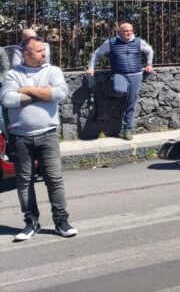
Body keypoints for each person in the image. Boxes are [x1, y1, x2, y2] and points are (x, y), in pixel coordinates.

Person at [1, 36, 78, 241]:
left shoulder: (52, 71)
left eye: (44, 50)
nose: (44, 54)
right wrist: (45, 93)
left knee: (54, 180)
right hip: (20, 138)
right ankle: (31, 223)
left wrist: (27, 90)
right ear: (27, 54)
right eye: (39, 51)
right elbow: (8, 99)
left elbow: (60, 93)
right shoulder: (13, 74)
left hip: (48, 135)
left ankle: (61, 221)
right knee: (24, 182)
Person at [86, 22, 154, 140]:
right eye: (126, 31)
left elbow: (149, 50)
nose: (129, 33)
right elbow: (97, 54)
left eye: (131, 31)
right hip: (119, 74)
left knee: (131, 104)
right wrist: (91, 68)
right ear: (119, 32)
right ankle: (115, 90)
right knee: (118, 89)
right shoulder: (111, 43)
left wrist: (149, 64)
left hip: (136, 75)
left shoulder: (138, 42)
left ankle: (127, 129)